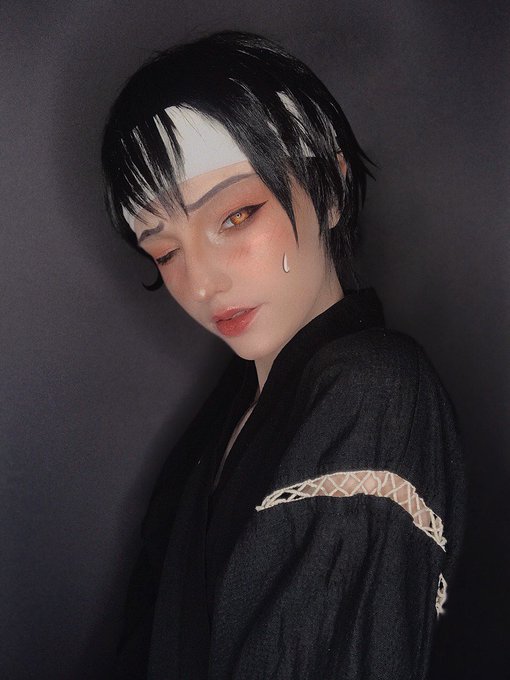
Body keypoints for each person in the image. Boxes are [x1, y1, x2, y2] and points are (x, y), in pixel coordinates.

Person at [101, 30, 465, 680]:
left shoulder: (376, 391)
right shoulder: (227, 412)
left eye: (235, 217)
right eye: (166, 251)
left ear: (329, 188)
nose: (201, 283)